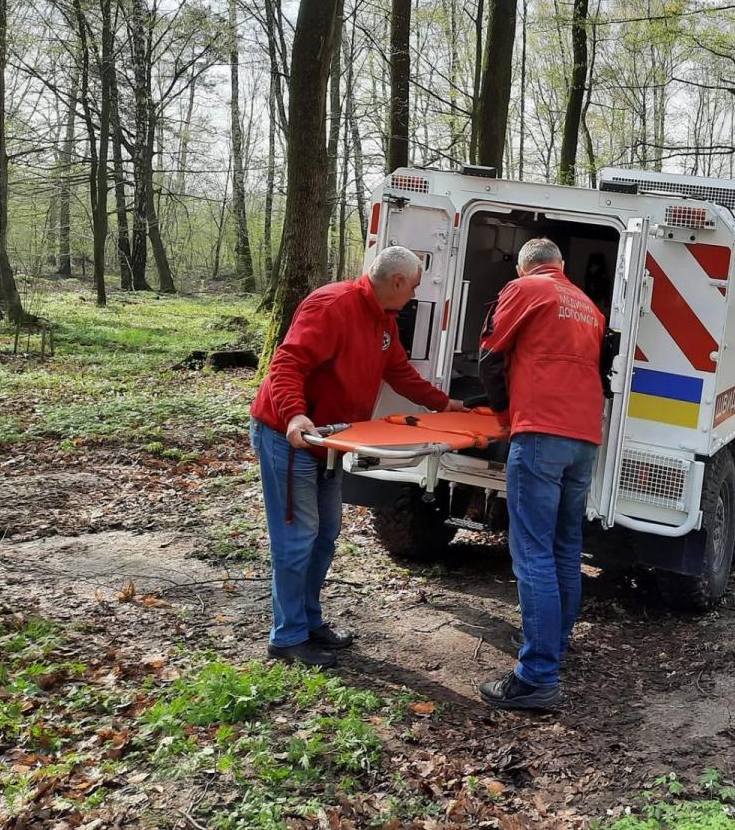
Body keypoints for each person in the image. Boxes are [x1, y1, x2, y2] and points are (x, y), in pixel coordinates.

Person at [250, 246, 463, 667]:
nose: (414, 295)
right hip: (290, 437)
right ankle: (287, 636)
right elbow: (287, 363)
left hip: (331, 442)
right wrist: (295, 415)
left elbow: (398, 371)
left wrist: (444, 405)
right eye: (414, 286)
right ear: (398, 281)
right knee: (297, 540)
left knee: (325, 536)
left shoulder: (383, 319)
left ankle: (309, 622)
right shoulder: (333, 305)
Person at [477, 238, 606, 710]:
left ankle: (537, 677)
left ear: (525, 265)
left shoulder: (526, 288)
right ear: (562, 265)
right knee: (564, 549)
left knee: (531, 554)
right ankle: (554, 646)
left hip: (541, 433)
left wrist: (503, 412)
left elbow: (490, 354)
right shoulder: (588, 306)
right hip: (584, 437)